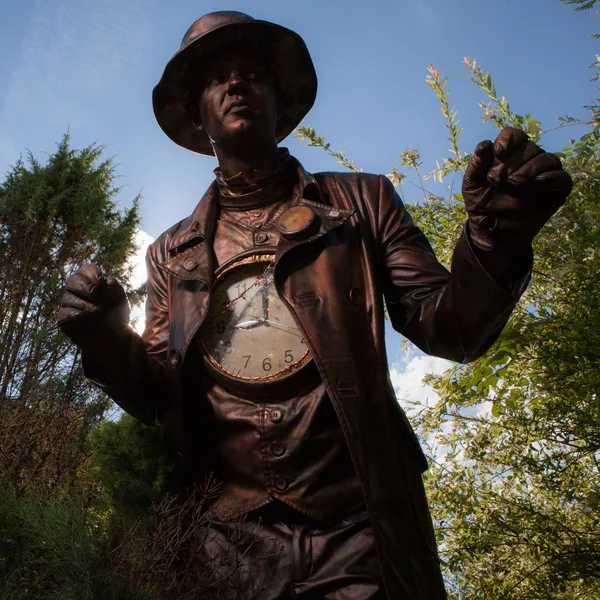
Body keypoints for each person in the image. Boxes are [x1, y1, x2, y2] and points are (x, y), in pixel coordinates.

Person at [57, 11, 573, 600]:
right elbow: (157, 395)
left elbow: (451, 328)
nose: (236, 84)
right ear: (198, 116)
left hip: (360, 531)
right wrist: (105, 339)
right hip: (224, 548)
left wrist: (496, 237)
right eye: (217, 78)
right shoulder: (170, 254)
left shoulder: (362, 202)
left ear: (283, 102)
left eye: (253, 73)